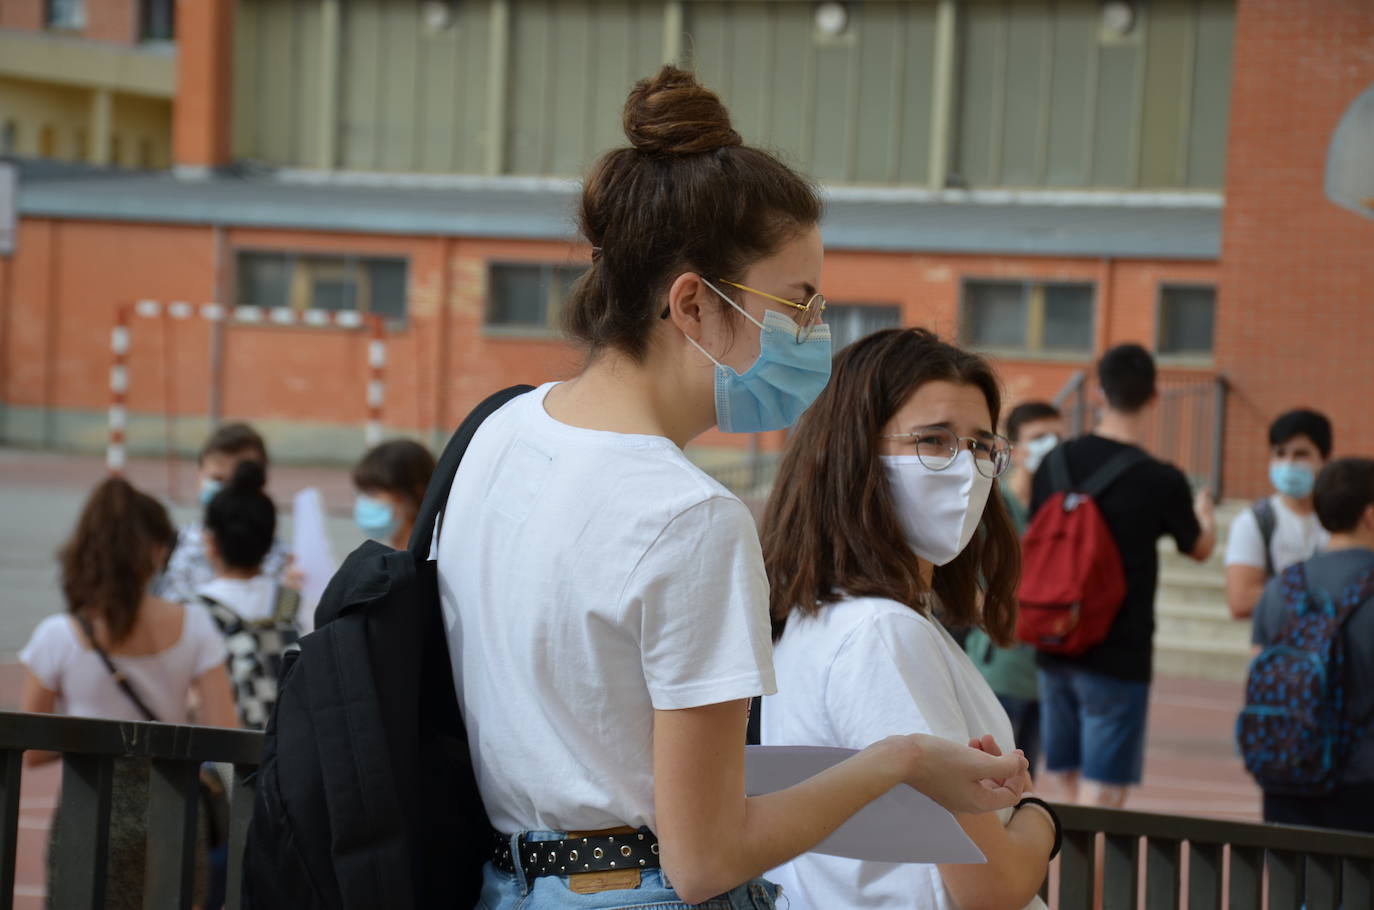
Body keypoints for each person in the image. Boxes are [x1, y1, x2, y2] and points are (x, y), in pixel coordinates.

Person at [436, 66, 1027, 910]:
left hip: (507, 880)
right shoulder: (690, 516)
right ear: (691, 304)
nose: (815, 334)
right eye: (797, 305)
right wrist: (901, 762)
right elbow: (706, 857)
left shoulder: (500, 431)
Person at [760, 328, 1055, 910]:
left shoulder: (831, 616)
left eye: (979, 445)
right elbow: (987, 885)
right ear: (852, 451)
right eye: (933, 440)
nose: (965, 468)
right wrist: (1041, 815)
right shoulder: (880, 633)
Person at [18, 477, 237, 909]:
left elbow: (31, 751)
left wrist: (91, 731)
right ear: (156, 552)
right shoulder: (195, 627)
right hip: (172, 807)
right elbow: (224, 732)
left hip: (88, 811)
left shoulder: (57, 636)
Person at [1031, 343, 1216, 807]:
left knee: (1066, 779)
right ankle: (1090, 882)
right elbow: (1198, 549)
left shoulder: (1052, 464)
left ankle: (1065, 875)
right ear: (1153, 398)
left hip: (1053, 634)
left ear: (1098, 394)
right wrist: (1205, 516)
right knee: (1105, 790)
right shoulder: (1161, 479)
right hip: (1120, 650)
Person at [1249, 457, 1374, 833]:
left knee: (1295, 891)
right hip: (1362, 782)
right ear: (1370, 515)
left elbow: (1258, 672)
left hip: (1288, 772)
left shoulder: (1283, 586)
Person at [965, 401, 1065, 772]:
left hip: (1044, 673)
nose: (1051, 446)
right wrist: (999, 620)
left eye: (1057, 437)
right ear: (1015, 447)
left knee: (1026, 781)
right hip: (999, 670)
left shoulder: (1059, 509)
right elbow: (966, 582)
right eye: (1040, 438)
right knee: (989, 780)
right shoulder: (995, 505)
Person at [200, 458, 311, 725]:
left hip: (220, 754)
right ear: (270, 541)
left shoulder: (193, 610)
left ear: (211, 542)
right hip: (285, 747)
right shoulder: (296, 603)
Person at [155, 422, 289, 604]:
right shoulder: (173, 546)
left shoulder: (284, 563)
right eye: (217, 479)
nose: (226, 492)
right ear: (199, 475)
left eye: (238, 481)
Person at [1225, 408, 1333, 619]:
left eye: (1300, 454)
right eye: (1280, 453)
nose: (1289, 463)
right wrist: (1326, 594)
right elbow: (1241, 601)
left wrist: (1274, 592)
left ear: (1325, 458)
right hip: (1278, 647)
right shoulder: (1255, 521)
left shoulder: (1343, 520)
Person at [351, 438, 437, 549]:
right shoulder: (392, 558)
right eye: (362, 492)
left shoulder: (431, 560)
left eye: (373, 492)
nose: (364, 501)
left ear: (417, 492)